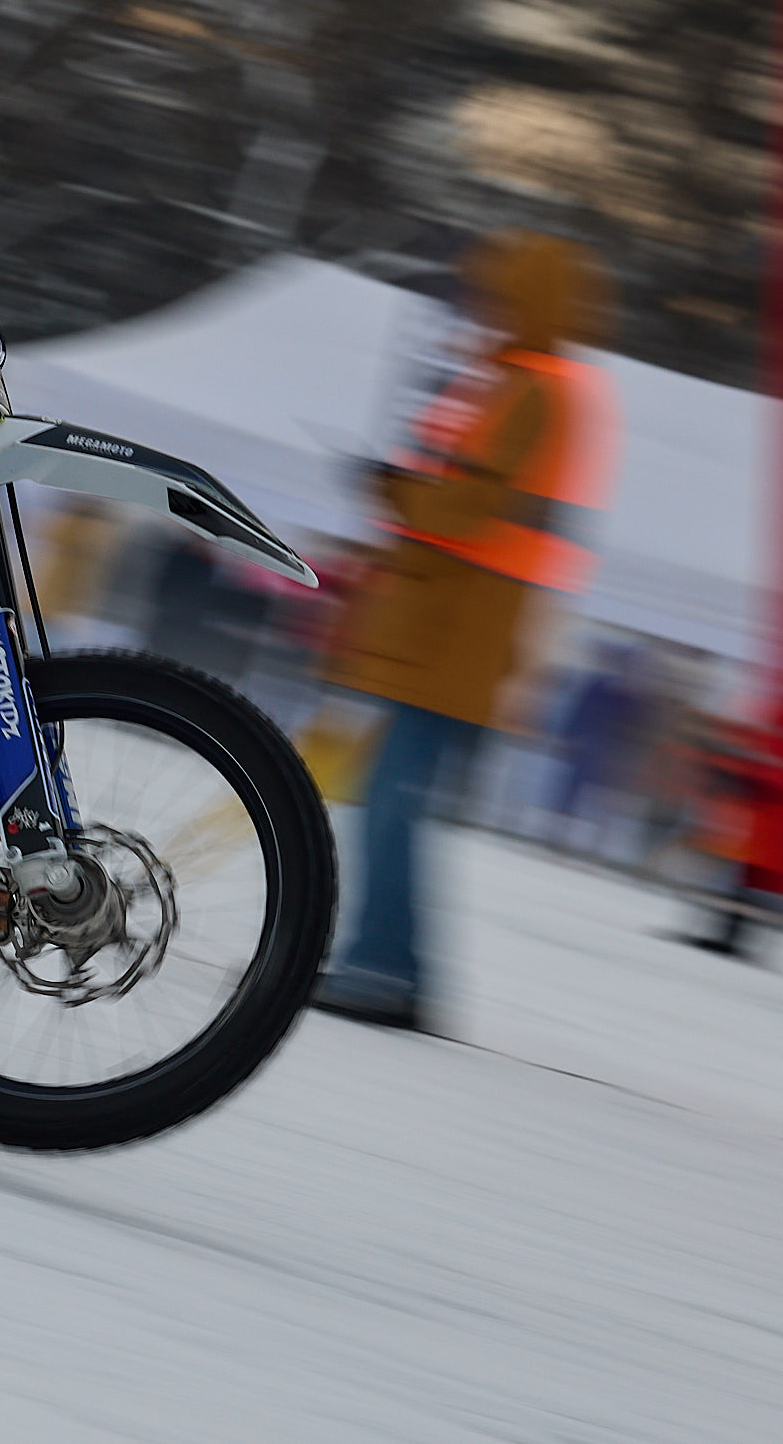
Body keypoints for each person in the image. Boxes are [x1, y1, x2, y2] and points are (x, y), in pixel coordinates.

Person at [312, 232, 619, 1030]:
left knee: (393, 801)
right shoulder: (523, 384)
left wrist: (392, 488)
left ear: (527, 302)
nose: (481, 307)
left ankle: (384, 969)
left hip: (460, 631)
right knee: (395, 799)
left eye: (495, 294)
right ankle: (396, 968)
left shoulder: (529, 390)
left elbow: (464, 505)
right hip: (458, 630)